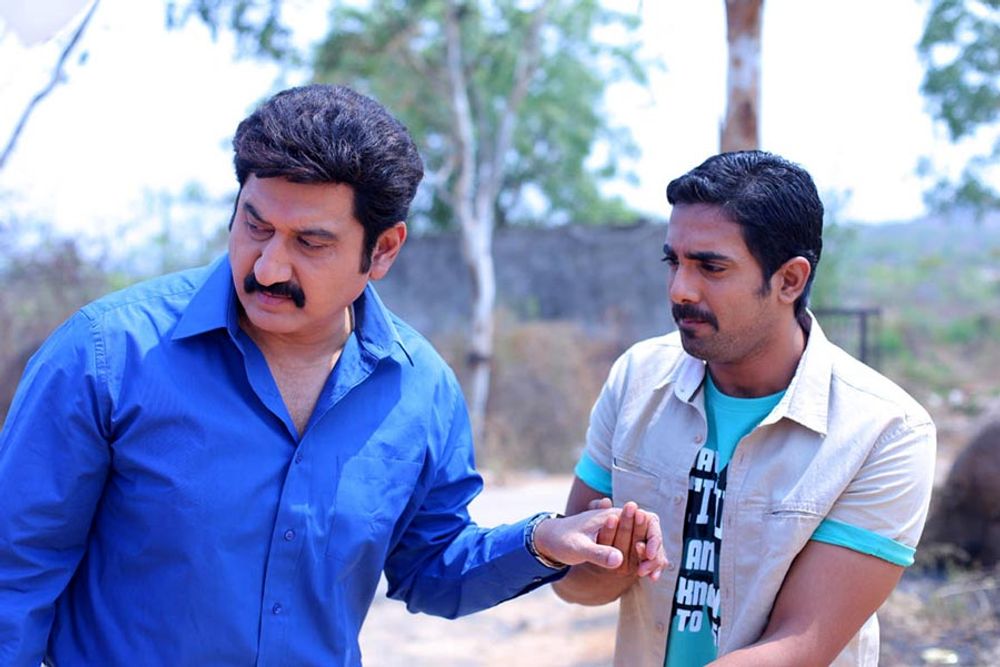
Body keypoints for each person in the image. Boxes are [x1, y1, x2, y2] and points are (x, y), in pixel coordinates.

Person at [0, 84, 666, 666]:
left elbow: (429, 566)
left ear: (384, 250)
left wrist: (542, 541)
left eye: (310, 242)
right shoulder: (107, 355)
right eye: (255, 226)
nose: (267, 267)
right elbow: (15, 572)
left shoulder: (420, 390)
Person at [553, 150, 936, 666]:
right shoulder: (638, 379)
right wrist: (612, 564)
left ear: (790, 280)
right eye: (674, 262)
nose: (680, 289)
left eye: (711, 267)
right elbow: (573, 586)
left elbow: (800, 645)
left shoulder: (885, 431)